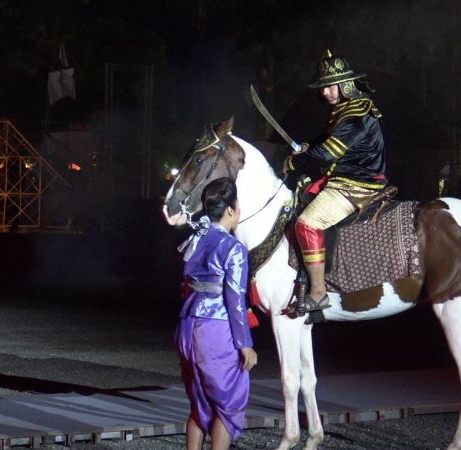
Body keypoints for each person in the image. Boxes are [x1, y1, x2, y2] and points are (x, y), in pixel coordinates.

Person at [283, 50, 387, 312]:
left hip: (355, 184)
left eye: (330, 86)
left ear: (346, 83)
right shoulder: (345, 109)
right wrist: (309, 145)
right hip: (345, 178)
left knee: (307, 224)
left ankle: (318, 292)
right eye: (322, 88)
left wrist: (296, 161)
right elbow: (326, 140)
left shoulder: (356, 111)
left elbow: (329, 153)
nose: (326, 93)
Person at [174, 177, 258, 450]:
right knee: (228, 404)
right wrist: (245, 344)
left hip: (187, 326)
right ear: (231, 209)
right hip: (216, 330)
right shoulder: (234, 248)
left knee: (200, 402)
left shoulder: (196, 240)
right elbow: (234, 298)